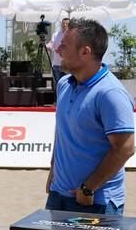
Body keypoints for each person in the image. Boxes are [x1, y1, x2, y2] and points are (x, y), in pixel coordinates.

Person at [45, 18, 134, 215]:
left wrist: (88, 187)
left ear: (85, 52)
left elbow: (125, 148)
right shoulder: (65, 84)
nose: (58, 50)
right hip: (58, 195)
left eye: (64, 46)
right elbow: (62, 132)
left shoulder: (110, 93)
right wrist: (53, 169)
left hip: (95, 202)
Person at [47, 18, 70, 85]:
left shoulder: (72, 35)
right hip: (57, 65)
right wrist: (46, 46)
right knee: (57, 86)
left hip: (68, 65)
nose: (64, 25)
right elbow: (51, 44)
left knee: (67, 86)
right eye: (63, 23)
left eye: (67, 24)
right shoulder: (56, 34)